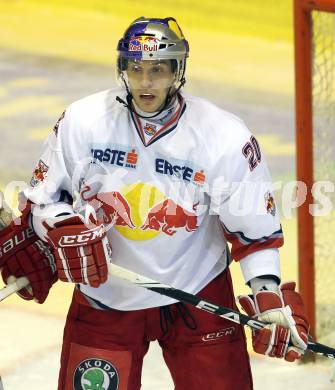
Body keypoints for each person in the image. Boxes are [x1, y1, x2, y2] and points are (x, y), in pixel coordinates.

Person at [0, 17, 309, 389]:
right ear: (123, 68)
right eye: (136, 68)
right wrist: (62, 225)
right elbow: (41, 203)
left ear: (178, 71)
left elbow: (256, 234)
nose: (145, 82)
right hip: (106, 296)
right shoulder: (83, 121)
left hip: (197, 293)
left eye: (158, 70)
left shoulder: (223, 136)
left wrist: (268, 296)